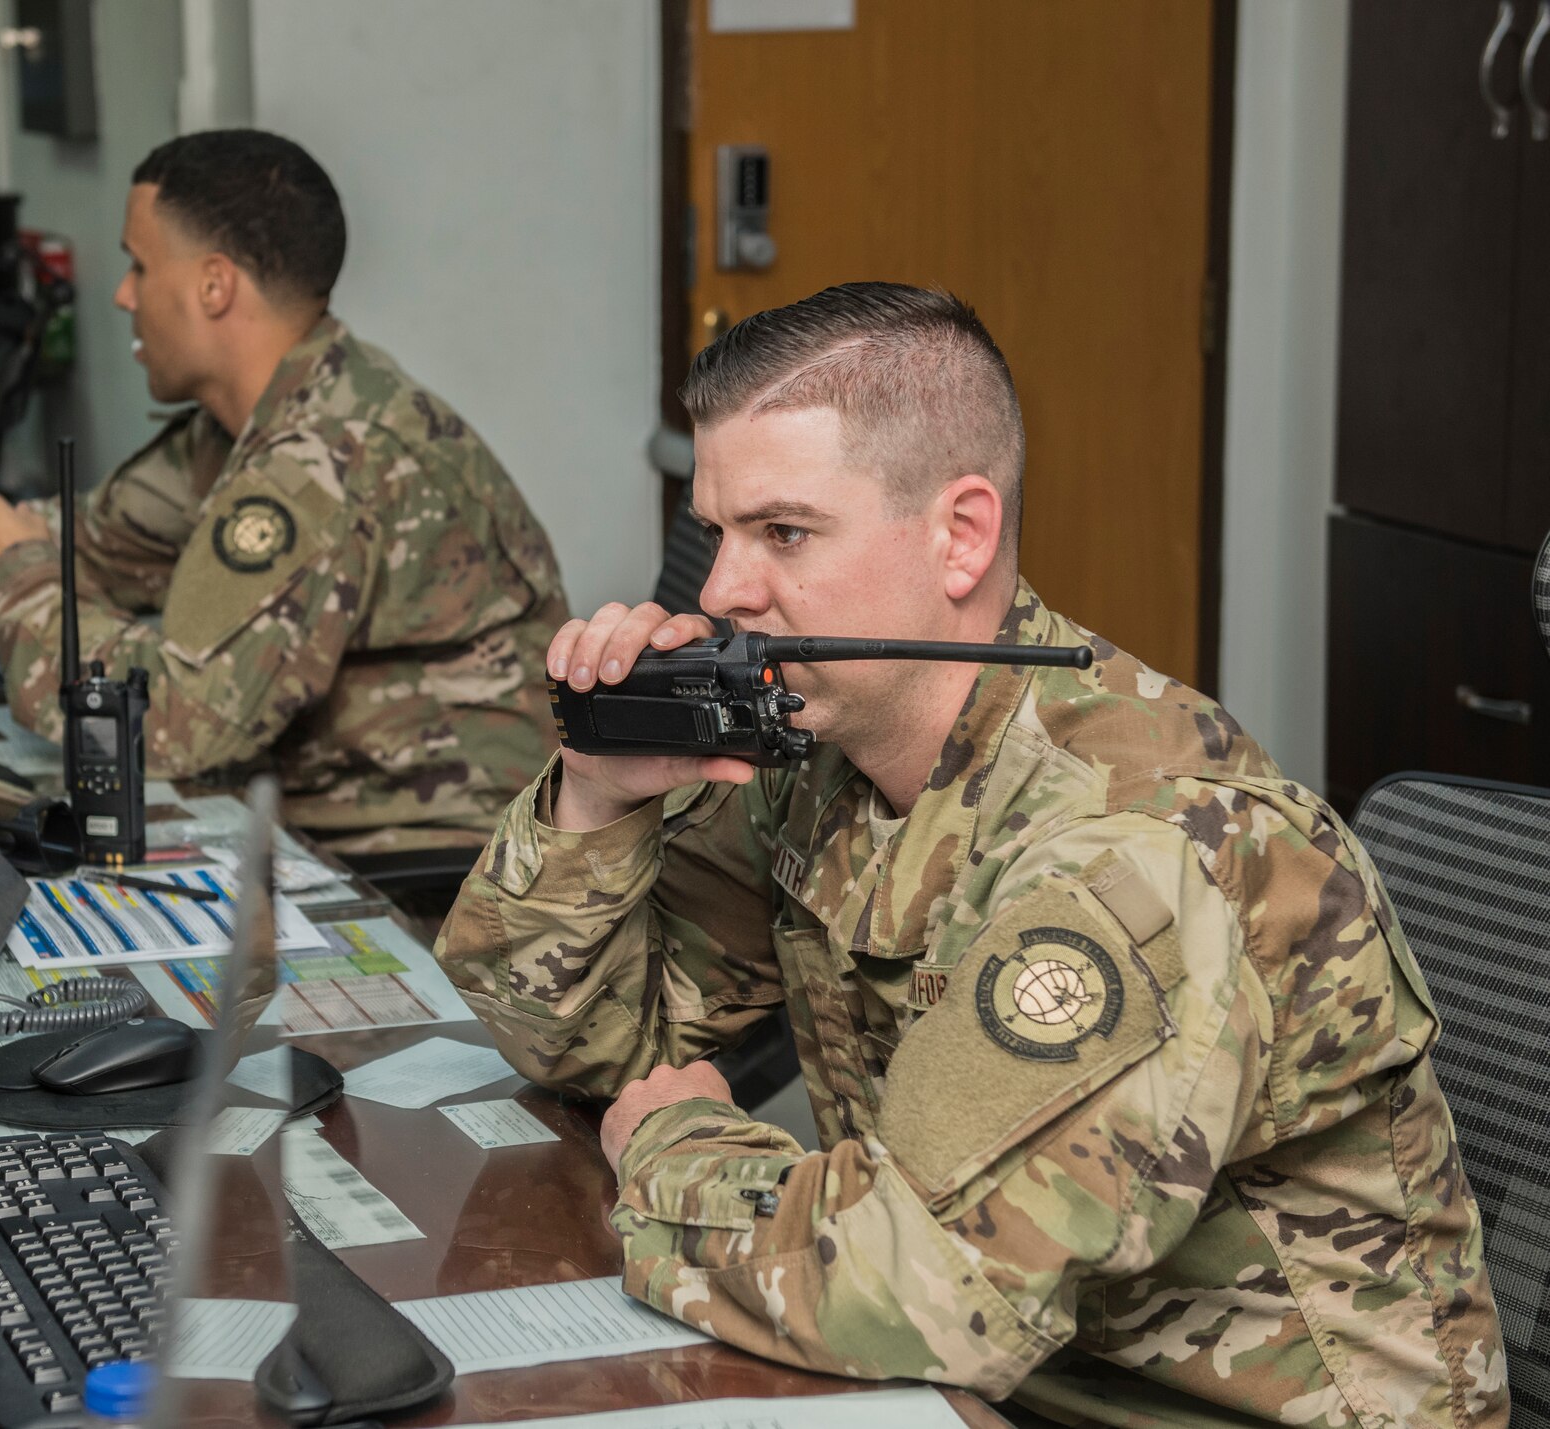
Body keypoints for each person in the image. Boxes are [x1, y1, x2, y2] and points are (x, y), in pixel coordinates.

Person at [434, 283, 1507, 1426]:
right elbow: (572, 1040)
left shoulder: (1135, 853)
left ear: (960, 536)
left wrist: (671, 1143)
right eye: (719, 530)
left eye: (783, 532)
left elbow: (914, 1286)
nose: (719, 593)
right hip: (976, 1388)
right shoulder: (823, 757)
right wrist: (598, 797)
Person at [0, 129, 568, 852]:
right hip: (308, 821)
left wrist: (14, 577)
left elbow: (179, 720)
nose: (122, 294)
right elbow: (77, 542)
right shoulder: (251, 420)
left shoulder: (316, 459)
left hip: (435, 877)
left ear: (215, 286)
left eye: (140, 265)